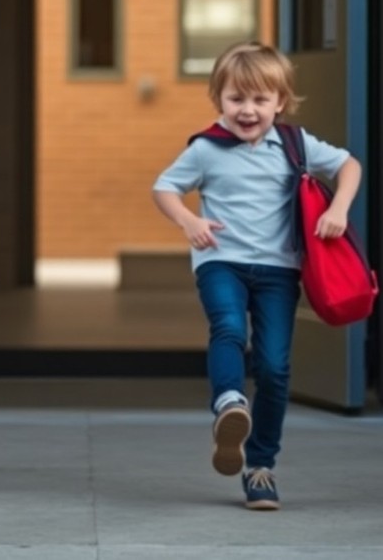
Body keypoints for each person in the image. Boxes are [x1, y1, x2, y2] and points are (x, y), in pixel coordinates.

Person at [152, 41, 361, 510]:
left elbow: (349, 165)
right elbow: (164, 188)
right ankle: (229, 404)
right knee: (226, 328)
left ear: (279, 102)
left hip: (278, 270)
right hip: (220, 261)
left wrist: (340, 209)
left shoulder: (294, 143)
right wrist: (190, 222)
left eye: (259, 100)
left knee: (274, 367)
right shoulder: (206, 148)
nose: (247, 111)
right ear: (218, 100)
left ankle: (260, 467)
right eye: (235, 99)